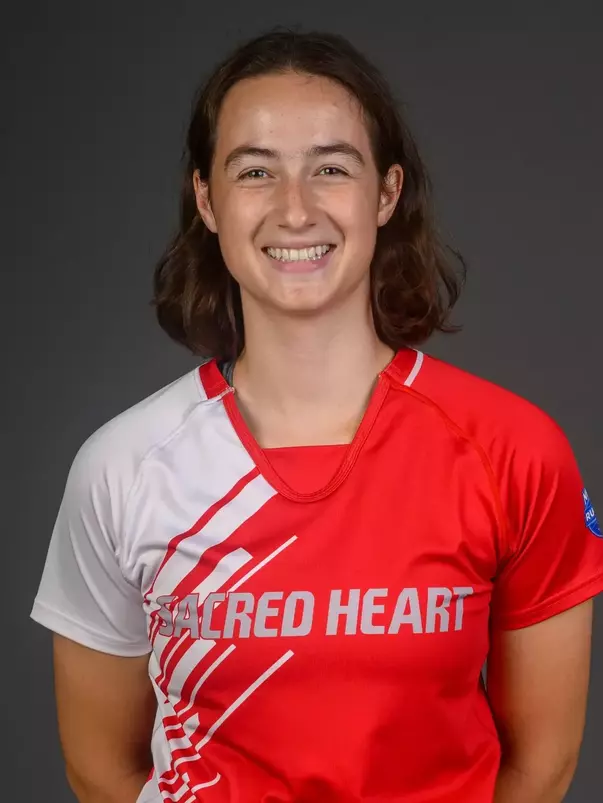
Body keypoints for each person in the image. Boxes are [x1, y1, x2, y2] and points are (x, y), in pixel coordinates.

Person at [31, 27, 603, 803]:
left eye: (330, 168)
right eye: (255, 171)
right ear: (207, 199)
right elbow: (100, 770)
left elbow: (540, 768)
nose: (294, 210)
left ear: (386, 193)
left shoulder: (513, 450)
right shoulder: (123, 466)